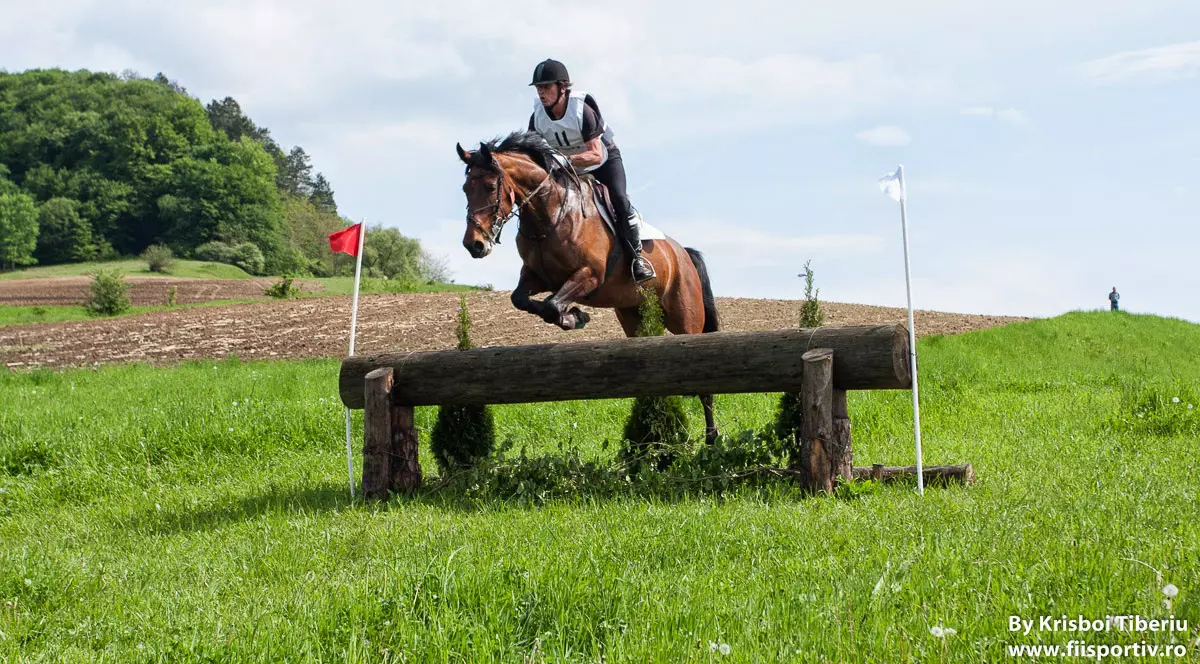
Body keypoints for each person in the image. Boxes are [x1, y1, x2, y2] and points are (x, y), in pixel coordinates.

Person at [526, 58, 656, 283]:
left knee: (618, 199)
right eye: (539, 88)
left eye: (546, 87)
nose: (542, 93)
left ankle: (637, 259)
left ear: (563, 88)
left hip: (603, 162)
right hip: (568, 167)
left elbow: (595, 154)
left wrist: (564, 160)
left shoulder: (582, 110)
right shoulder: (537, 116)